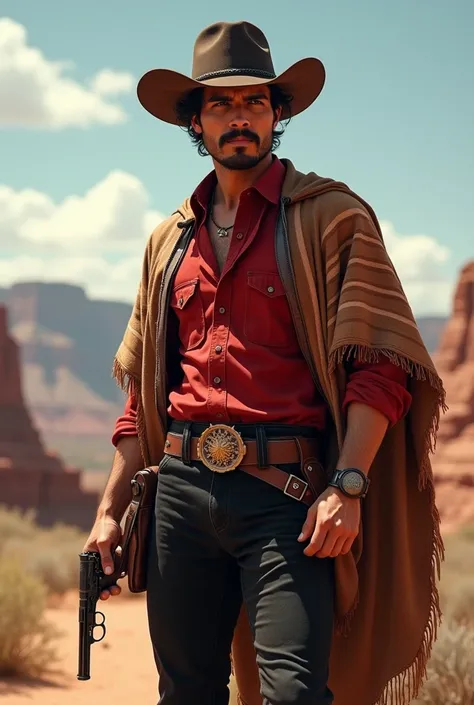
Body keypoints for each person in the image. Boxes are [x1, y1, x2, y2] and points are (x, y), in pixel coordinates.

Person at [83, 20, 446, 705]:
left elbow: (381, 365)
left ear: (279, 113)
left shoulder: (332, 218)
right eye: (220, 104)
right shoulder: (167, 240)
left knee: (294, 694)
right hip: (181, 496)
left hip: (288, 497)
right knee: (185, 691)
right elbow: (144, 396)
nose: (239, 117)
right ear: (196, 121)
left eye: (255, 102)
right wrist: (108, 510)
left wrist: (349, 485)